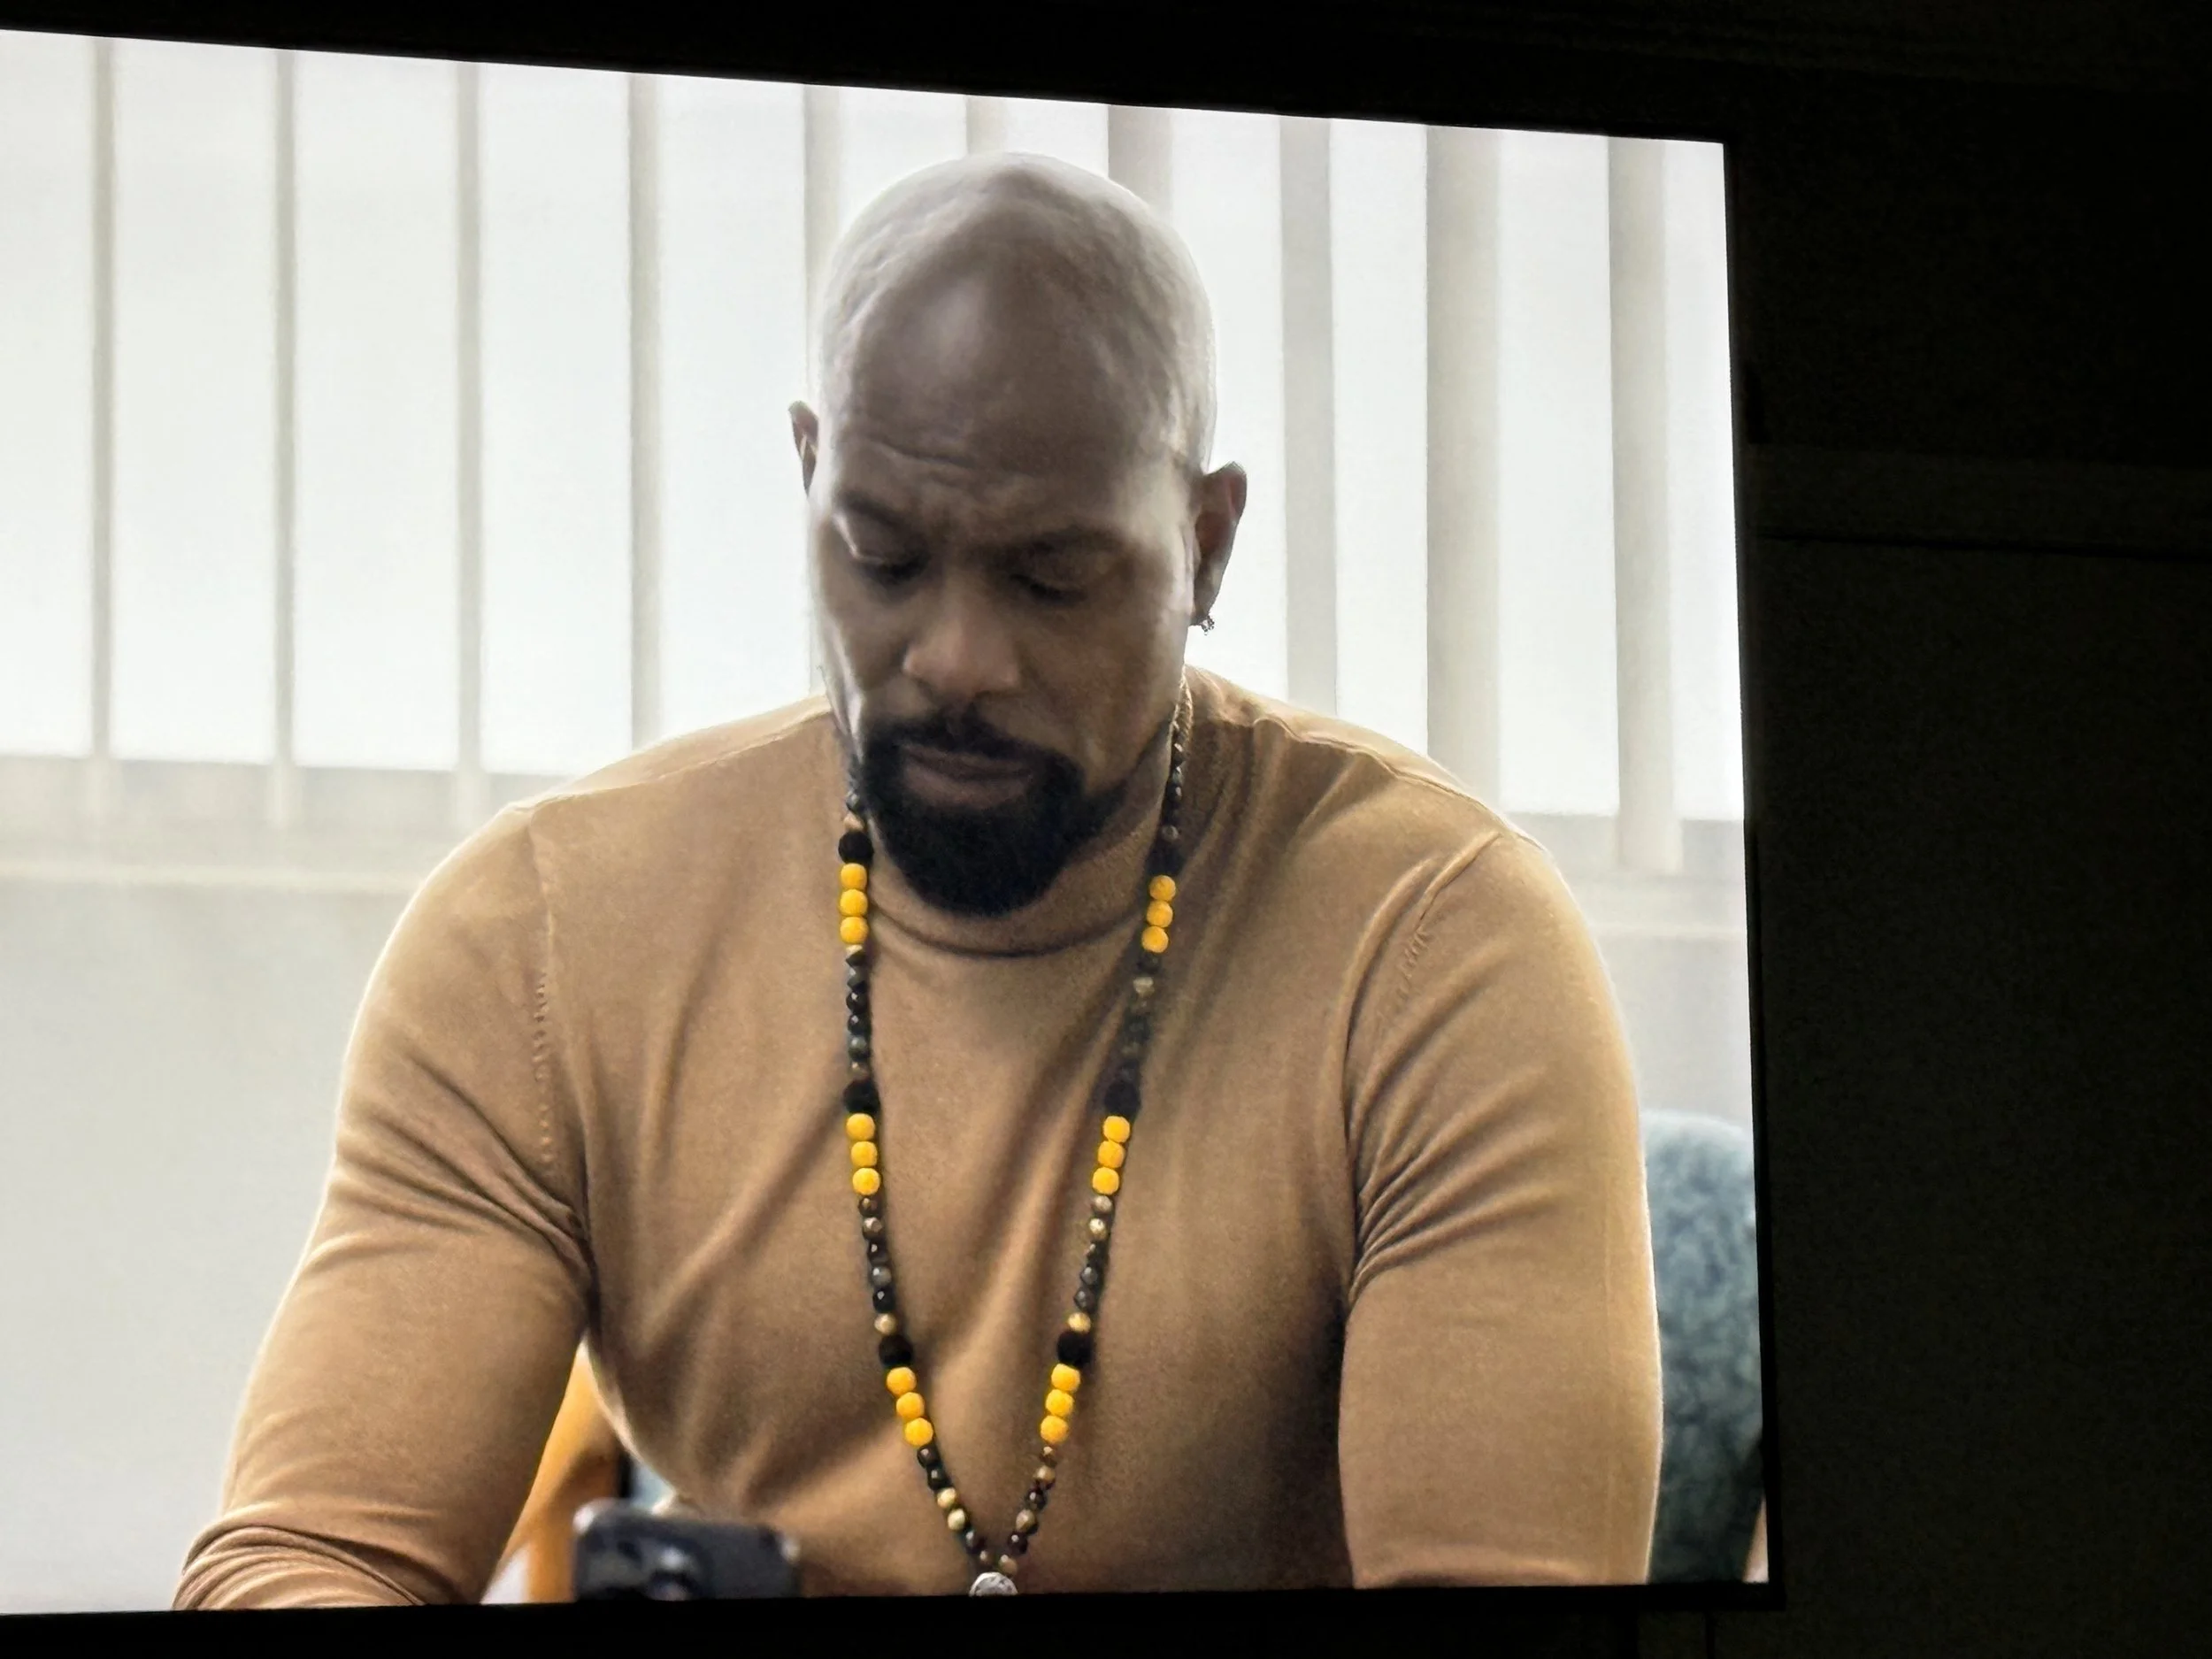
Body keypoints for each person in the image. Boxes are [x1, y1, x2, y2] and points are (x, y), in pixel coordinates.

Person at [174, 152, 1660, 1605]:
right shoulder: (544, 947)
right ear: (813, 479)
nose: (954, 658)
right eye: (883, 557)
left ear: (1204, 546)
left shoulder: (1433, 944)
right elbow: (311, 1557)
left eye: (1052, 577)